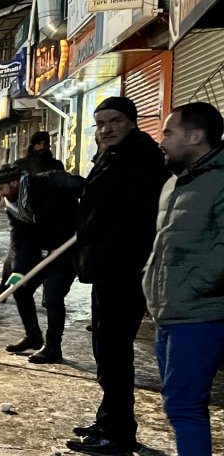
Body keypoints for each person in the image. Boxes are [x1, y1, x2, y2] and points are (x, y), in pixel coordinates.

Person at [66, 96, 170, 455]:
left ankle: (119, 433)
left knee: (113, 353)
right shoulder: (112, 156)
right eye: (100, 124)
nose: (106, 129)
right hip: (105, 270)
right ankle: (108, 419)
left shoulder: (143, 161)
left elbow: (140, 222)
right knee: (105, 351)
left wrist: (110, 250)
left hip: (124, 271)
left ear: (131, 122)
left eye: (114, 122)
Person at [143, 102, 224, 456]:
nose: (161, 141)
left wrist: (192, 286)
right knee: (178, 404)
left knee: (185, 406)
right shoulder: (176, 183)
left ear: (195, 136)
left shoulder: (219, 181)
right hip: (169, 312)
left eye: (168, 133)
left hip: (201, 313)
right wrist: (151, 284)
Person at [0, 164, 80, 364]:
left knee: (53, 295)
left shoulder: (45, 181)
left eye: (1, 188)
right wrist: (18, 270)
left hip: (69, 246)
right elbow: (21, 238)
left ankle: (53, 348)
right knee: (21, 289)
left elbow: (81, 185)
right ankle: (33, 337)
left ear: (14, 182)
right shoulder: (12, 204)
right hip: (46, 250)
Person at [0, 131, 68, 296]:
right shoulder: (21, 165)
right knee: (15, 254)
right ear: (32, 145)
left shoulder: (56, 165)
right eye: (38, 144)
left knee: (50, 258)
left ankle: (47, 293)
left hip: (49, 220)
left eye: (45, 144)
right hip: (24, 219)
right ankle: (3, 290)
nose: (42, 147)